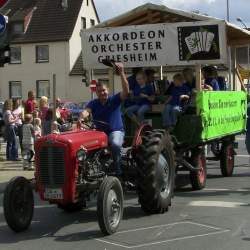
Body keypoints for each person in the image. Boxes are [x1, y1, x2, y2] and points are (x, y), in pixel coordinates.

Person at [80, 62, 129, 176]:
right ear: (96, 92)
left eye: (104, 90)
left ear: (108, 90)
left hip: (115, 131)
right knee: (85, 147)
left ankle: (118, 169)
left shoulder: (114, 99)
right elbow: (87, 111)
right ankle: (88, 171)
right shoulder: (94, 103)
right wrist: (81, 117)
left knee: (116, 144)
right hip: (100, 133)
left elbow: (126, 91)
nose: (102, 93)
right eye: (99, 91)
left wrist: (121, 73)